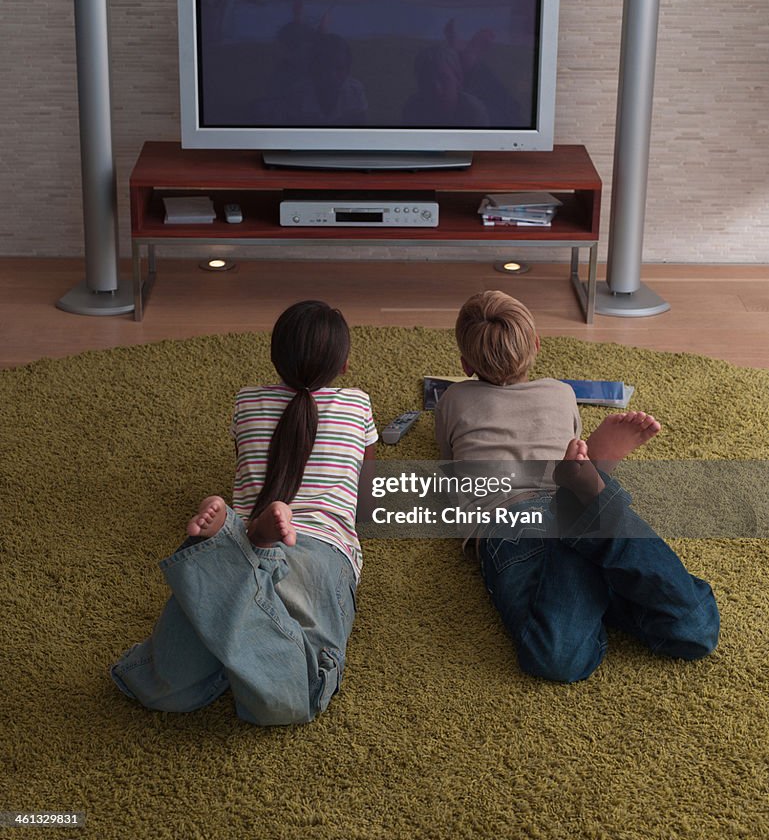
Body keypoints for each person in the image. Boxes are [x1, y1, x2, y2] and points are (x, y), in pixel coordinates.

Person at [111, 300, 378, 725]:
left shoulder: (247, 400)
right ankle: (253, 549)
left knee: (161, 686)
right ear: (343, 365)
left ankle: (237, 548)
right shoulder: (358, 405)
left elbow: (244, 458)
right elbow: (367, 495)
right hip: (321, 547)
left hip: (243, 534)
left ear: (275, 359)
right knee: (296, 696)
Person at [434, 290, 720, 682]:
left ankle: (579, 501)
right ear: (535, 344)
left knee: (559, 659)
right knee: (695, 631)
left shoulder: (453, 398)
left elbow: (448, 458)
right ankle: (586, 498)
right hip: (568, 514)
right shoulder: (561, 392)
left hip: (506, 522)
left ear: (466, 364)